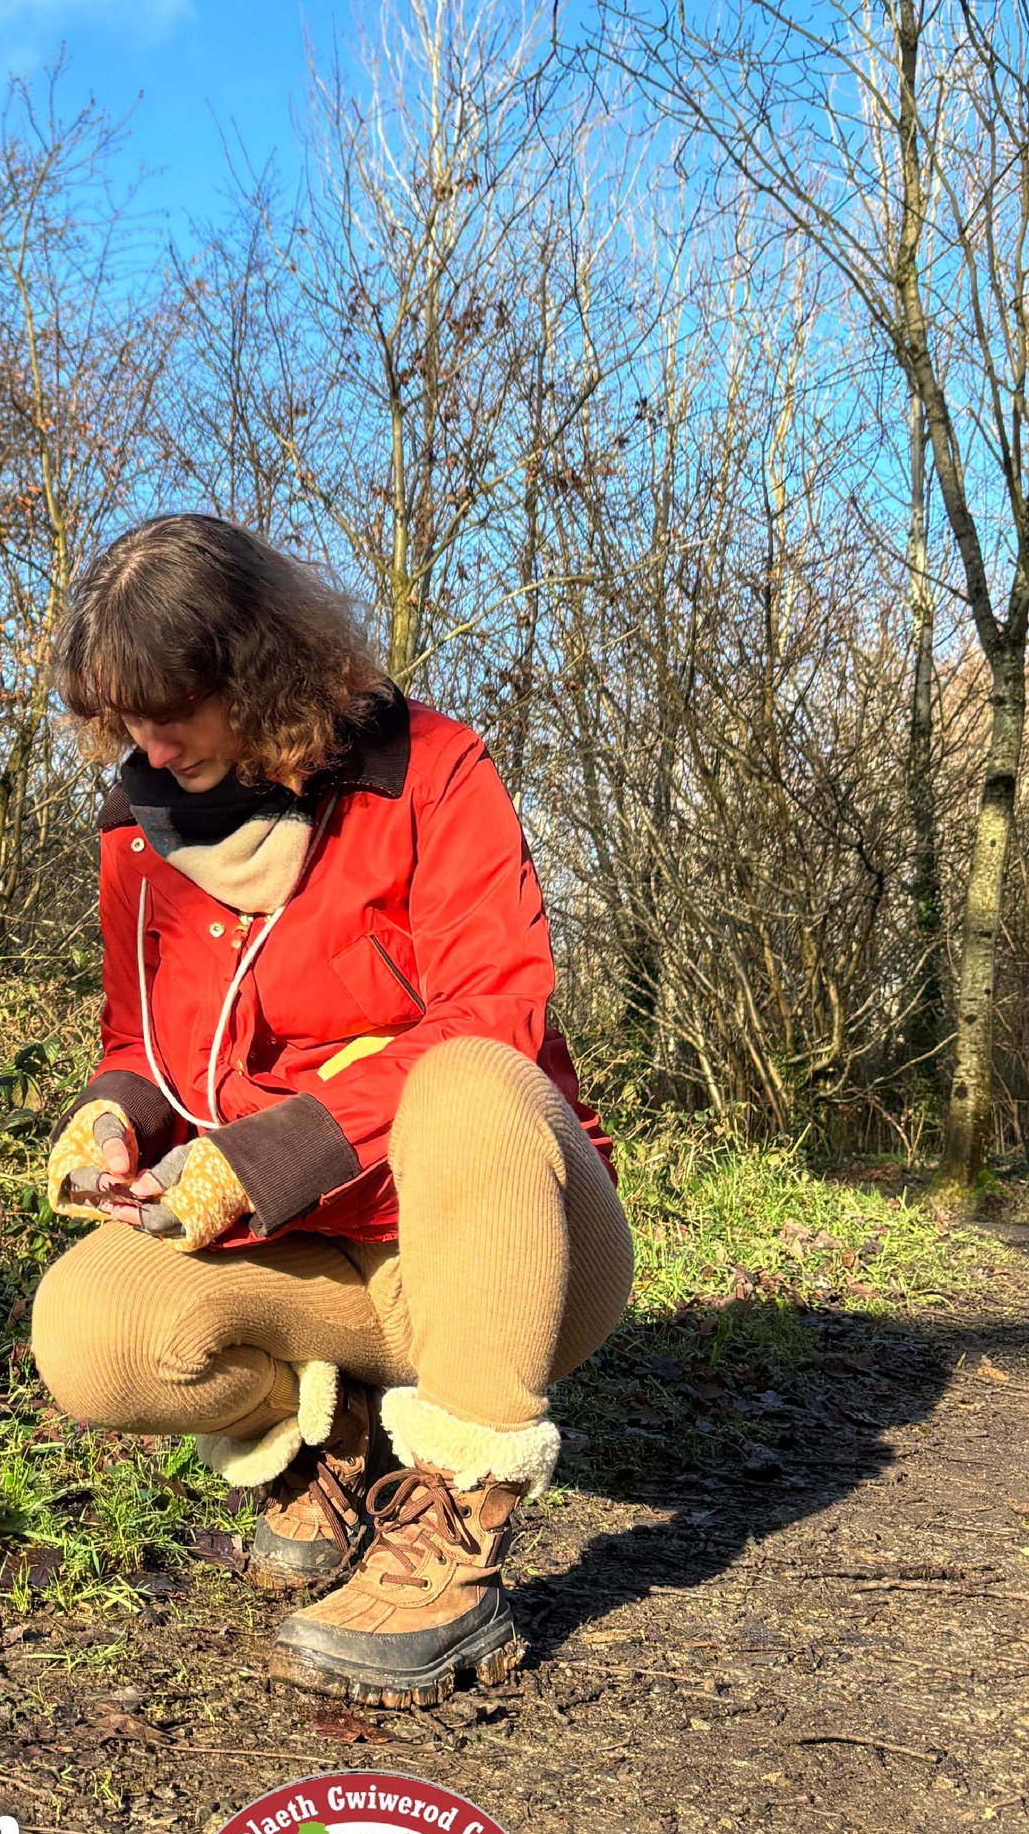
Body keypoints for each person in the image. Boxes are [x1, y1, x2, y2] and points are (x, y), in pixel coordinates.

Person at [32, 514, 632, 1705]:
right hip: (310, 1254)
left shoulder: (431, 769)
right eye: (122, 713)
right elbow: (141, 1038)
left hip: (506, 1252)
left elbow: (496, 1013)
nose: (150, 740)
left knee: (468, 1075)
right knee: (88, 1330)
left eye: (172, 704)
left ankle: (454, 1538)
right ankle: (326, 1433)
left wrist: (269, 1151)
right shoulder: (134, 835)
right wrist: (111, 1113)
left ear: (258, 670)